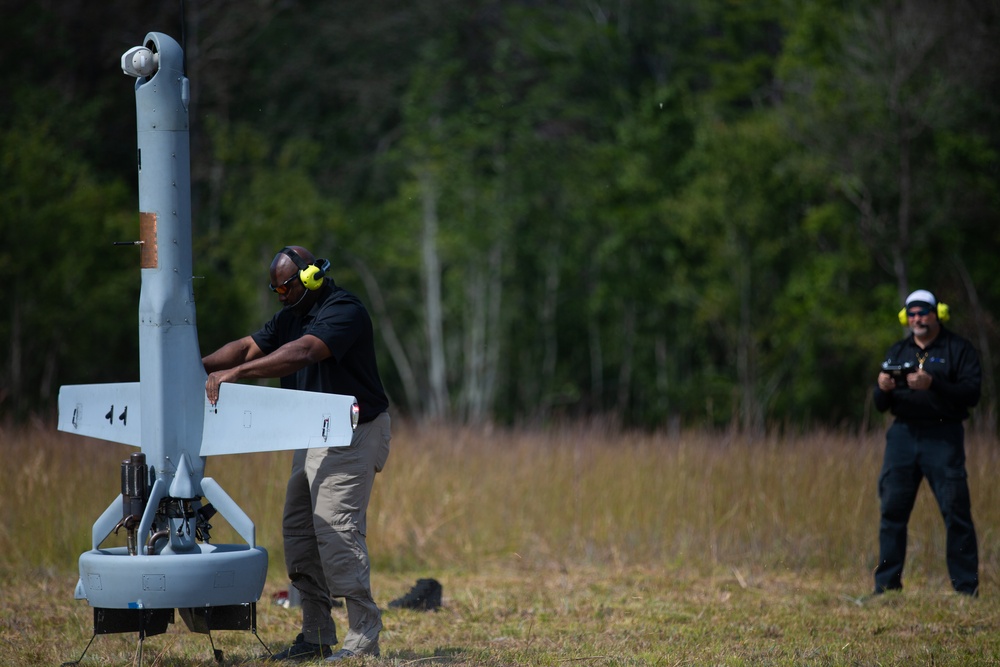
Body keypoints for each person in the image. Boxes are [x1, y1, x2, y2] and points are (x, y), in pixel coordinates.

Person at [203, 245, 391, 661]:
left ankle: (363, 640)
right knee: (301, 536)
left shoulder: (345, 311)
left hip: (352, 433)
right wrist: (189, 367)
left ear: (309, 278)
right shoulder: (290, 317)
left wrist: (237, 375)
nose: (279, 296)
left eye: (285, 287)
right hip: (312, 435)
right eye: (274, 289)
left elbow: (304, 352)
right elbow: (247, 347)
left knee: (336, 532)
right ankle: (317, 634)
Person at [872, 289, 980, 596]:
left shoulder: (958, 349)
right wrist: (882, 388)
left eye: (923, 312)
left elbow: (971, 394)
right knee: (892, 511)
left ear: (937, 314)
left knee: (956, 511)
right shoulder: (898, 351)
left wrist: (934, 384)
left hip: (943, 436)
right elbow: (880, 405)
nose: (917, 319)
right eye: (912, 313)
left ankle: (965, 589)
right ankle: (886, 587)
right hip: (903, 436)